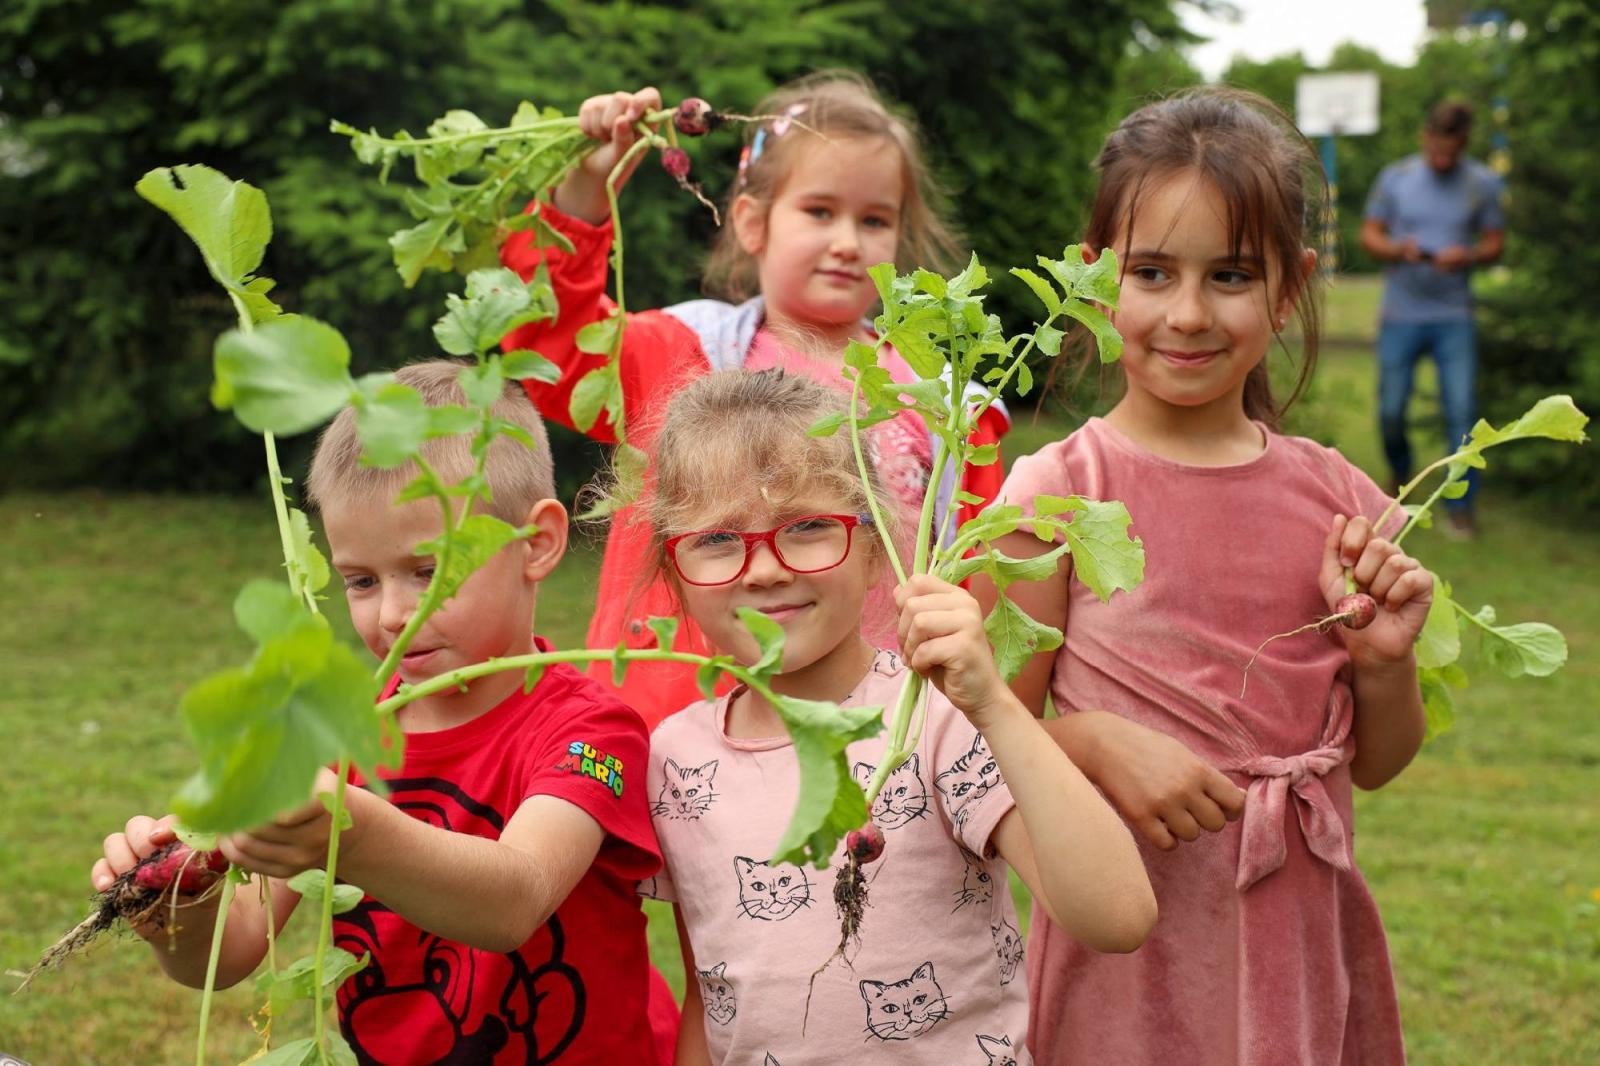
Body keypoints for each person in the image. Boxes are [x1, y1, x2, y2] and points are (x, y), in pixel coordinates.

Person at [986, 90, 1433, 1065]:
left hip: (1298, 943)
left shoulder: (1339, 500)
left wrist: (1385, 663)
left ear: (1289, 288)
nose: (1187, 314)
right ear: (1096, 280)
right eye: (1152, 272)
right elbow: (983, 743)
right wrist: (1095, 742)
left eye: (1230, 275)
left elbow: (1376, 762)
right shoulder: (1056, 495)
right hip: (1126, 954)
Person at [93, 361, 671, 1064]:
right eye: (361, 581)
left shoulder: (590, 731)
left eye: (428, 571)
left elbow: (516, 900)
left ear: (536, 542)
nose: (393, 613)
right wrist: (177, 904)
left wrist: (358, 833)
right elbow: (234, 949)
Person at [635, 369, 1154, 1063]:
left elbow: (1118, 916)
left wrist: (995, 707)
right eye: (717, 539)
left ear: (876, 548)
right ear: (673, 573)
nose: (762, 570)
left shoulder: (936, 720)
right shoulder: (677, 760)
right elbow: (712, 995)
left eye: (809, 526)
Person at [499, 72, 1011, 727]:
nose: (848, 242)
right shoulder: (685, 354)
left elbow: (981, 591)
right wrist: (583, 192)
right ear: (751, 222)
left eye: (875, 220)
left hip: (872, 742)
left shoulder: (947, 411)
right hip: (682, 734)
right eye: (820, 211)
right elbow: (552, 344)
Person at [1361, 100, 1506, 539]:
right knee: (1390, 409)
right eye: (1436, 149)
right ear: (1425, 137)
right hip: (1401, 313)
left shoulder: (1482, 183)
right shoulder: (1396, 177)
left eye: (1451, 152)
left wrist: (1469, 255)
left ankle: (1460, 507)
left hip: (1454, 315)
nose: (1442, 159)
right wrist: (1396, 249)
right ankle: (1400, 474)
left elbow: (1495, 243)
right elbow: (1369, 234)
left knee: (1462, 413)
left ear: (1463, 145)